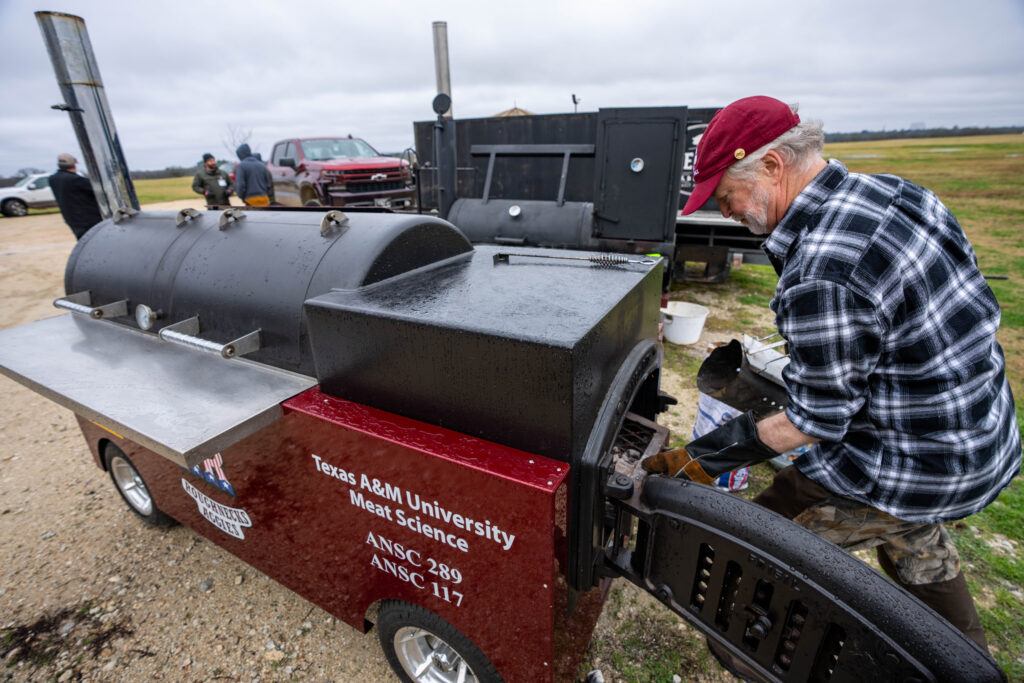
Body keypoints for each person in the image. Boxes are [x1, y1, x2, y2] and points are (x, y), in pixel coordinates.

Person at [647, 96, 1020, 659]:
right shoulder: (898, 192)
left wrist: (706, 458)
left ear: (773, 166)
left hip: (906, 461)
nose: (725, 213)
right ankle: (965, 663)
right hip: (976, 443)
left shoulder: (824, 267)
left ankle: (751, 653)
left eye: (726, 197)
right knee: (910, 529)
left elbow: (817, 419)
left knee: (751, 553)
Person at [48, 152, 102, 240]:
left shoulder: (52, 179)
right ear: (73, 165)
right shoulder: (76, 180)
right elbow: (99, 190)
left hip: (72, 219)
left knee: (83, 243)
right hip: (89, 220)